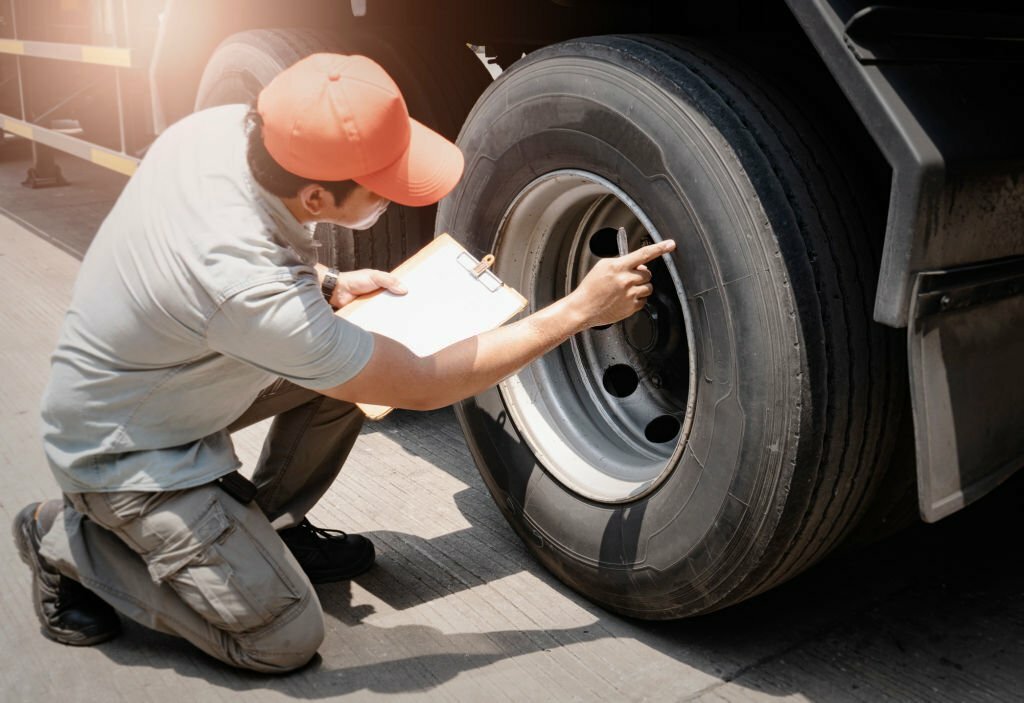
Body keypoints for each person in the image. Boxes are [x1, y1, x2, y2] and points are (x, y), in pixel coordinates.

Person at [13, 53, 675, 673]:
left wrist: (326, 285)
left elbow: (225, 263)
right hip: (123, 452)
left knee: (356, 350)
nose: (397, 193)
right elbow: (419, 385)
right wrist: (578, 312)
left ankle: (266, 529)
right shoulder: (246, 283)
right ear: (315, 200)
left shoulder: (222, 134)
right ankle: (66, 539)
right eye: (384, 186)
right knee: (283, 637)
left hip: (166, 374)